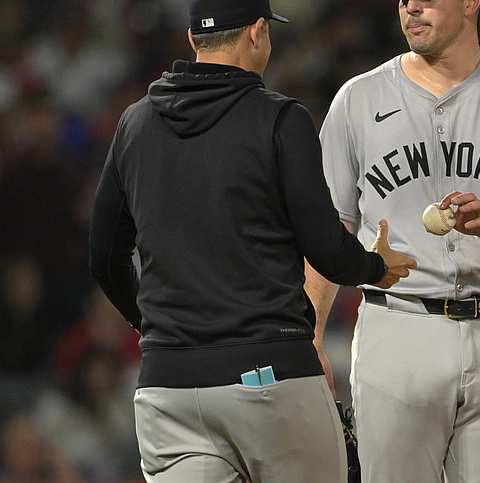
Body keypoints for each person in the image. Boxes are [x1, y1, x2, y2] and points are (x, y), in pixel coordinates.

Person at [87, 0, 416, 481]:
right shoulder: (279, 119)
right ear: (257, 32)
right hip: (268, 377)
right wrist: (375, 266)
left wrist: (156, 328)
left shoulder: (134, 123)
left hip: (168, 388)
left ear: (193, 39)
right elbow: (327, 250)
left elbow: (103, 257)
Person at [304, 0, 480, 482]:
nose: (411, 6)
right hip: (397, 326)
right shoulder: (358, 100)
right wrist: (309, 335)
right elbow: (330, 231)